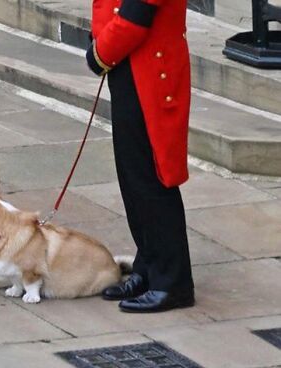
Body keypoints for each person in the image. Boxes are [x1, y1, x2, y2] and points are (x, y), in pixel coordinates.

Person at [85, 0, 195, 312]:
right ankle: (148, 266)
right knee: (132, 177)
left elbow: (137, 14)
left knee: (152, 180)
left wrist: (99, 54)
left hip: (150, 69)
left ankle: (173, 283)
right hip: (128, 64)